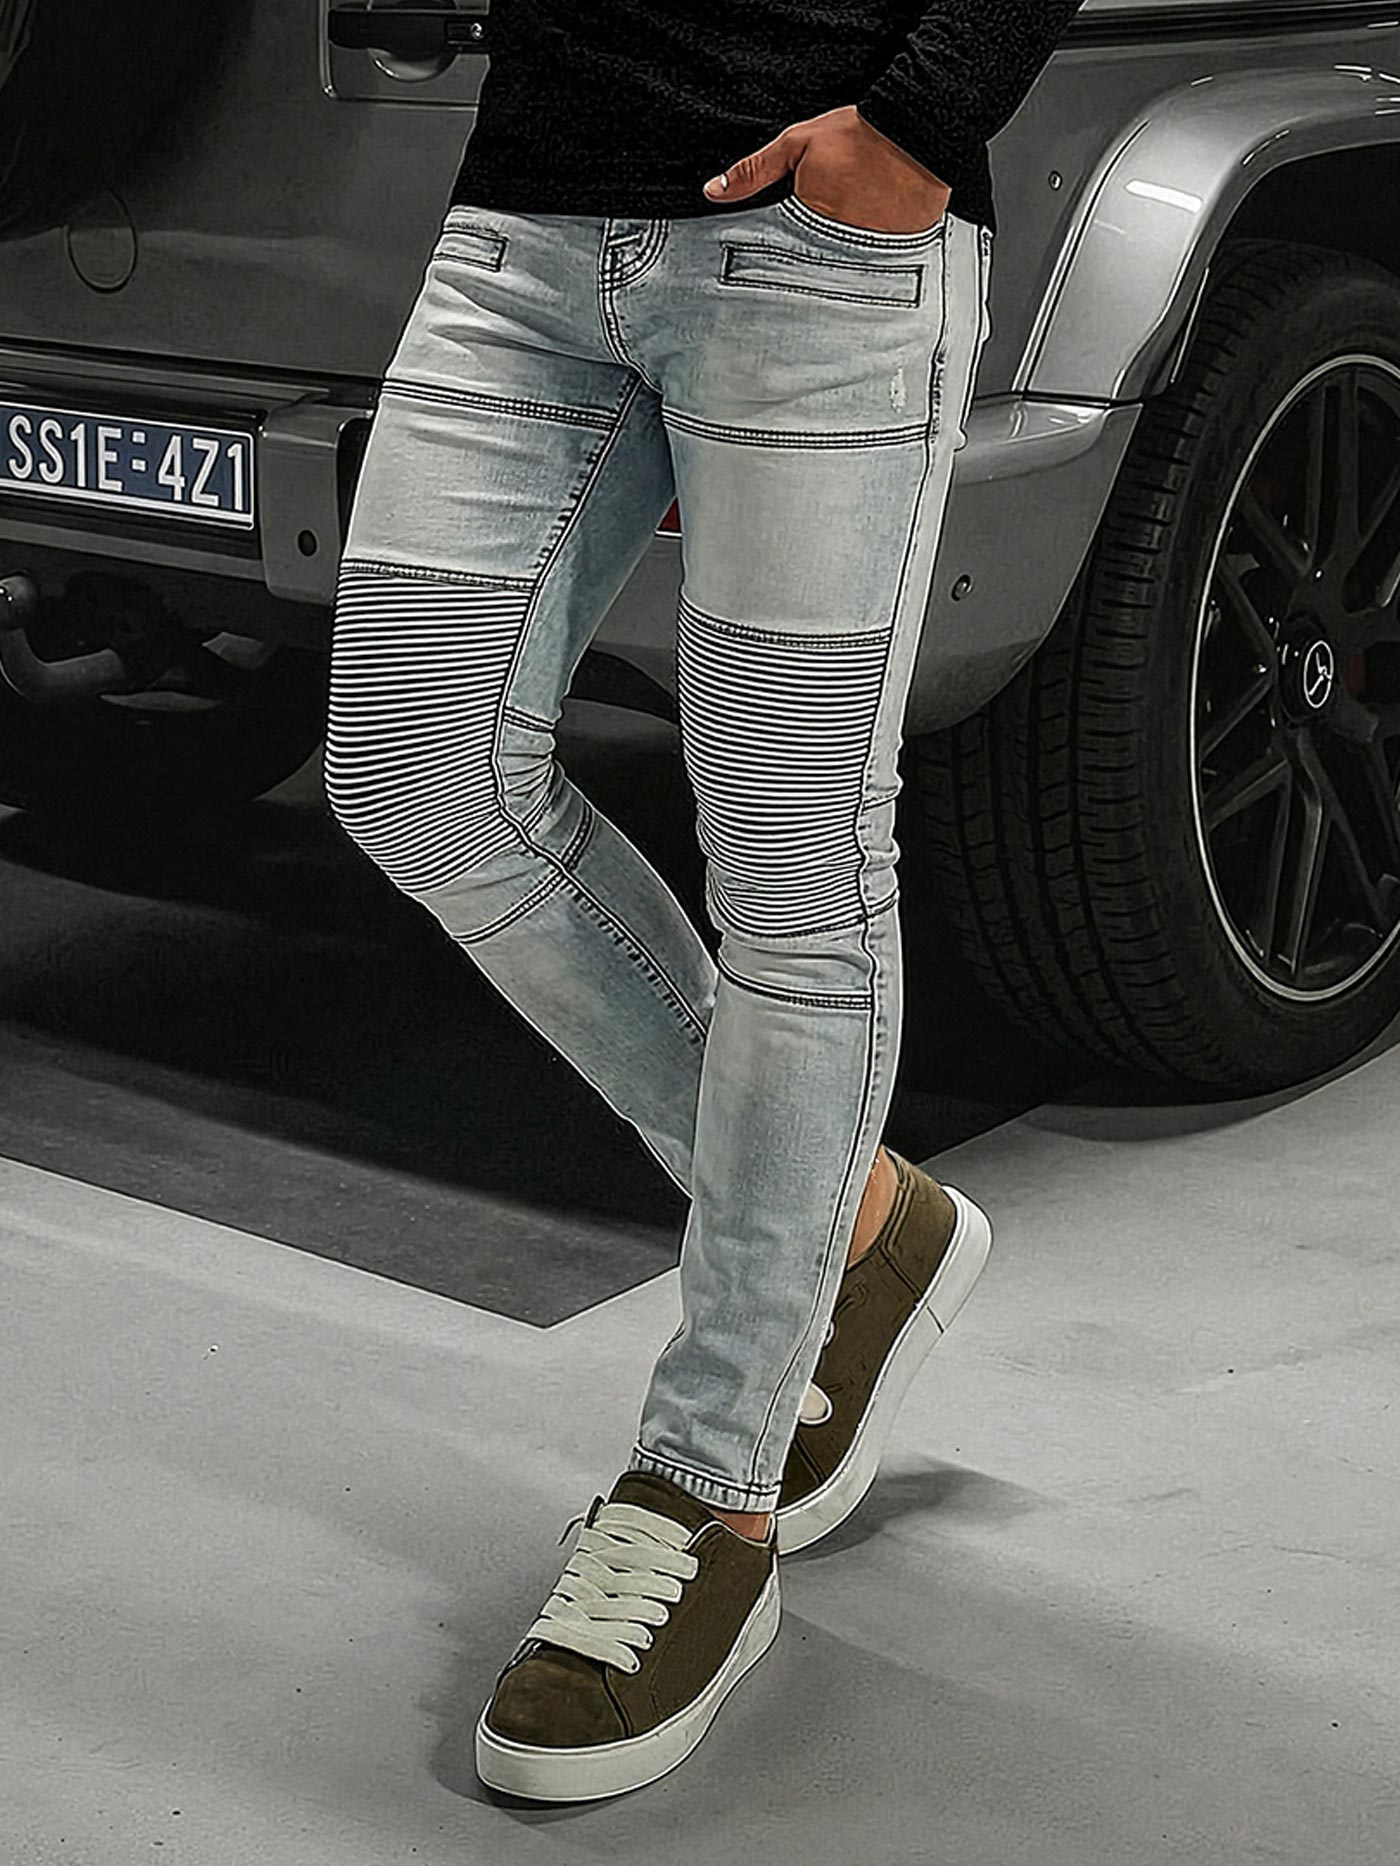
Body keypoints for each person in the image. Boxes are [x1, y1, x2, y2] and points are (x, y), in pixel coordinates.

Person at [324, 0, 1084, 1804]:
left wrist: (917, 119)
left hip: (825, 237)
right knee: (416, 770)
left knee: (796, 868)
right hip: (528, 218)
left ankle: (709, 1481)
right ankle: (856, 1221)